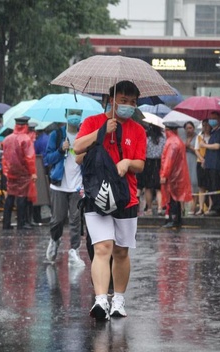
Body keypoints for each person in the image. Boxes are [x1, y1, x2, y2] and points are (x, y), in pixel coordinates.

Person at [73, 80, 146, 321]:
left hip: (126, 197)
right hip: (97, 194)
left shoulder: (138, 130)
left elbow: (141, 164)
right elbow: (77, 152)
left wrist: (127, 163)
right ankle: (101, 300)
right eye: (123, 101)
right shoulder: (93, 122)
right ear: (111, 99)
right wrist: (102, 132)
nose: (128, 106)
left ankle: (119, 300)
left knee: (122, 251)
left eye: (132, 103)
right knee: (102, 248)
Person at [44, 111, 85, 267]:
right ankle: (54, 239)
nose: (75, 116)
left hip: (77, 185)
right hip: (59, 184)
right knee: (57, 219)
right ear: (66, 115)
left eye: (78, 113)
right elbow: (48, 159)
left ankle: (74, 251)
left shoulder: (84, 135)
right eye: (72, 113)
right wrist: (61, 150)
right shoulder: (57, 135)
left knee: (76, 220)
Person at [1, 116, 37, 230]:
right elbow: (29, 158)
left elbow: (5, 157)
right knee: (21, 197)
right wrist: (33, 172)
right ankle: (21, 223)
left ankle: (6, 223)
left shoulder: (7, 139)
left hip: (10, 172)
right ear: (25, 125)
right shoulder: (26, 139)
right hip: (23, 173)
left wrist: (6, 170)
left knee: (10, 196)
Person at [160, 121, 193, 228]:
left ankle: (173, 219)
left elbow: (169, 160)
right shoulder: (177, 141)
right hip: (177, 174)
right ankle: (176, 219)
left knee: (172, 198)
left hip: (173, 175)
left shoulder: (172, 142)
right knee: (176, 198)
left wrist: (164, 174)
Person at [199, 112, 220, 217]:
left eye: (213, 118)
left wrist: (204, 145)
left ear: (219, 120)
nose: (211, 120)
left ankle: (217, 208)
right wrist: (205, 160)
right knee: (210, 186)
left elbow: (217, 146)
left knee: (216, 186)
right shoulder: (213, 132)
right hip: (210, 164)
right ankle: (213, 206)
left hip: (217, 164)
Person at [140, 123, 165, 215]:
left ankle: (149, 209)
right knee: (159, 188)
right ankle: (159, 208)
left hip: (148, 162)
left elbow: (143, 149)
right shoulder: (163, 138)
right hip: (159, 163)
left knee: (148, 187)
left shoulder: (147, 138)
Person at [194, 120, 212, 215]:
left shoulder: (212, 137)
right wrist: (202, 159)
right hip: (200, 162)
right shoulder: (199, 137)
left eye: (207, 125)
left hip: (210, 162)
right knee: (201, 187)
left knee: (210, 186)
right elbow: (196, 150)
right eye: (203, 125)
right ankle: (201, 208)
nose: (205, 127)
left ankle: (210, 207)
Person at [183, 121, 198, 215]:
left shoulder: (197, 137)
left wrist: (190, 147)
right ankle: (184, 208)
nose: (189, 130)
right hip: (185, 162)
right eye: (187, 128)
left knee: (194, 183)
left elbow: (198, 150)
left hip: (195, 161)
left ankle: (193, 208)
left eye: (190, 128)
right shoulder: (183, 138)